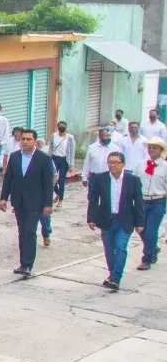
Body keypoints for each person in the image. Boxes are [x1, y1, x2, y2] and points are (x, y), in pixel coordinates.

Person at [0, 129, 55, 279]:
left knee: (30, 232)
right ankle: (23, 263)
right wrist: (3, 198)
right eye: (23, 139)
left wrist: (48, 204)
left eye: (29, 139)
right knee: (22, 232)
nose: (25, 142)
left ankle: (28, 264)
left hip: (36, 202)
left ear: (35, 141)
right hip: (19, 201)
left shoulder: (43, 159)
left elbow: (48, 184)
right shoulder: (15, 157)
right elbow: (8, 179)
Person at [87, 151, 145, 292]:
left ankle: (115, 278)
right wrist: (91, 218)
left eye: (115, 162)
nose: (112, 165)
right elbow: (94, 199)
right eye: (110, 162)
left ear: (123, 164)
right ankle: (113, 274)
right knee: (108, 249)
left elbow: (138, 203)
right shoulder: (100, 178)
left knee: (120, 247)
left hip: (124, 220)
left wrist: (140, 222)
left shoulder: (133, 180)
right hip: (106, 219)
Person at [134, 137, 167, 271]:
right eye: (150, 147)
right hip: (142, 202)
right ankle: (153, 248)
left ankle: (146, 259)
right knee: (141, 229)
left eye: (155, 147)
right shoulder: (141, 164)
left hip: (157, 201)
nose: (152, 150)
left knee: (151, 231)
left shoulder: (165, 167)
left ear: (161, 150)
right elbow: (134, 183)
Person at [49, 121, 76, 209]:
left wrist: (71, 164)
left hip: (64, 160)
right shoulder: (53, 135)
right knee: (52, 178)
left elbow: (72, 151)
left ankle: (60, 199)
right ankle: (57, 193)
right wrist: (48, 159)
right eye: (59, 126)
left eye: (62, 126)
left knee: (61, 180)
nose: (61, 128)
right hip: (54, 158)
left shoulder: (70, 137)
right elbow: (50, 148)